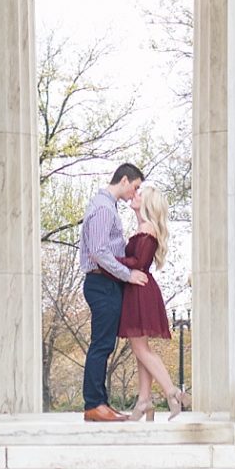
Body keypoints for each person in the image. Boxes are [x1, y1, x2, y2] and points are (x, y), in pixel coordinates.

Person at [78, 162, 148, 422]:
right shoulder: (103, 208)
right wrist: (128, 275)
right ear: (125, 180)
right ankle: (94, 404)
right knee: (101, 344)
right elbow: (99, 252)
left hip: (106, 283)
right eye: (136, 187)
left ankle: (100, 402)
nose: (135, 193)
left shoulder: (108, 207)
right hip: (101, 283)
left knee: (104, 344)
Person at [119, 183, 188, 418]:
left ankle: (172, 391)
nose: (134, 195)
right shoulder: (143, 226)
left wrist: (111, 259)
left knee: (140, 348)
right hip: (139, 290)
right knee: (141, 349)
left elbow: (138, 262)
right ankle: (144, 400)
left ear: (147, 203)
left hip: (140, 292)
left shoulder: (147, 228)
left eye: (140, 194)